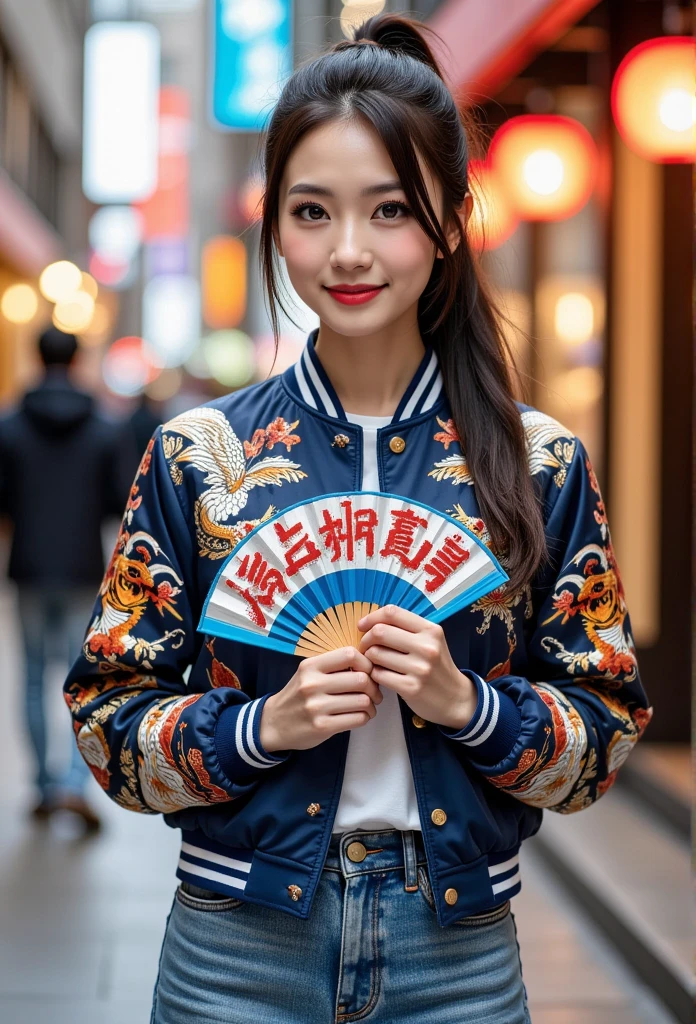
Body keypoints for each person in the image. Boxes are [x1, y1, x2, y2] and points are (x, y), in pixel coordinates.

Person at [63, 14, 652, 1023]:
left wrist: (468, 703)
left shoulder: (540, 460)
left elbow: (601, 736)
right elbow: (109, 724)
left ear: (451, 220)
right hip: (233, 945)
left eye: (389, 210)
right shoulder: (198, 456)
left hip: (457, 949)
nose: (347, 251)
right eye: (310, 211)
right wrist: (261, 726)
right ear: (272, 224)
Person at [0, 325, 134, 828]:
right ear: (78, 359)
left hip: (29, 566)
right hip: (82, 566)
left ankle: (42, 784)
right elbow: (117, 501)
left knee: (33, 676)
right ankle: (76, 785)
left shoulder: (10, 425)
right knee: (85, 680)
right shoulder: (103, 426)